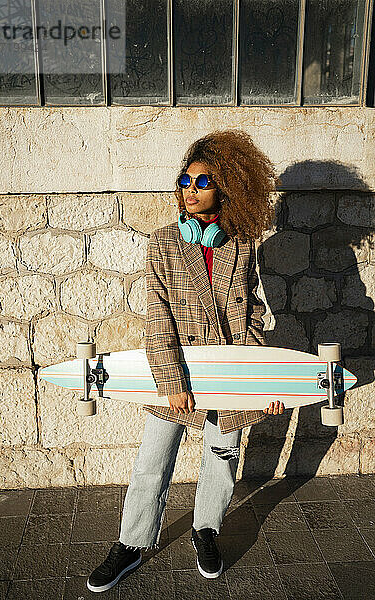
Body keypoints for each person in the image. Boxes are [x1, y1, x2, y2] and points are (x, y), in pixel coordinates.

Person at [87, 129, 285, 593]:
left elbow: (251, 312)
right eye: (184, 180)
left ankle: (206, 530)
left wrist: (263, 384)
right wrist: (172, 379)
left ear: (226, 190)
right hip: (175, 371)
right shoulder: (163, 242)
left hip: (229, 370)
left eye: (202, 182)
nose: (189, 190)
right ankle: (132, 543)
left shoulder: (240, 244)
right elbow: (157, 316)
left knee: (222, 456)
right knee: (153, 459)